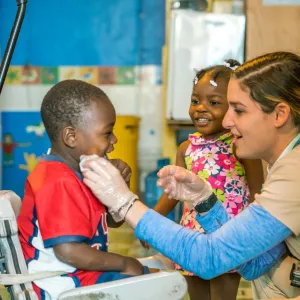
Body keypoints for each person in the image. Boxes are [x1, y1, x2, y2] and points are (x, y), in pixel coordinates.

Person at [81, 52, 300, 299]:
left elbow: (211, 257)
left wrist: (124, 203)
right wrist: (206, 201)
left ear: (280, 115)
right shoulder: (285, 164)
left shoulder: (295, 174)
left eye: (238, 110)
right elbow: (257, 260)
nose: (227, 121)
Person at [141, 60, 264, 300]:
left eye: (214, 103)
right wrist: (150, 222)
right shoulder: (186, 148)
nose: (201, 108)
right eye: (195, 101)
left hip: (228, 237)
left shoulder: (241, 146)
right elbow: (173, 193)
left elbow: (258, 192)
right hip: (193, 237)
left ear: (233, 107)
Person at [17, 80, 150, 300]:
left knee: (159, 276)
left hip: (78, 275)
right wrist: (124, 262)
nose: (115, 140)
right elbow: (69, 251)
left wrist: (118, 187)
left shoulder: (78, 172)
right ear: (71, 137)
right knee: (161, 283)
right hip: (64, 284)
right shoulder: (58, 181)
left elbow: (112, 221)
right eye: (107, 133)